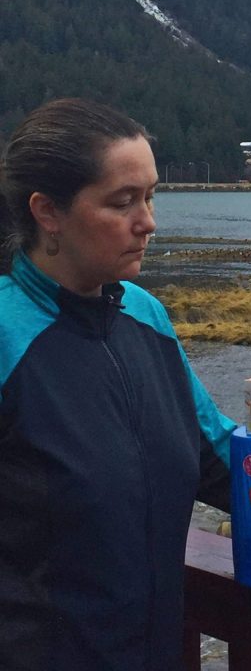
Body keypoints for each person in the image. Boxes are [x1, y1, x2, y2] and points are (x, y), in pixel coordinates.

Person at [0, 98, 236, 671]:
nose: (148, 222)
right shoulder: (8, 338)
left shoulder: (145, 316)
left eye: (151, 196)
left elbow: (220, 457)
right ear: (48, 212)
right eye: (122, 201)